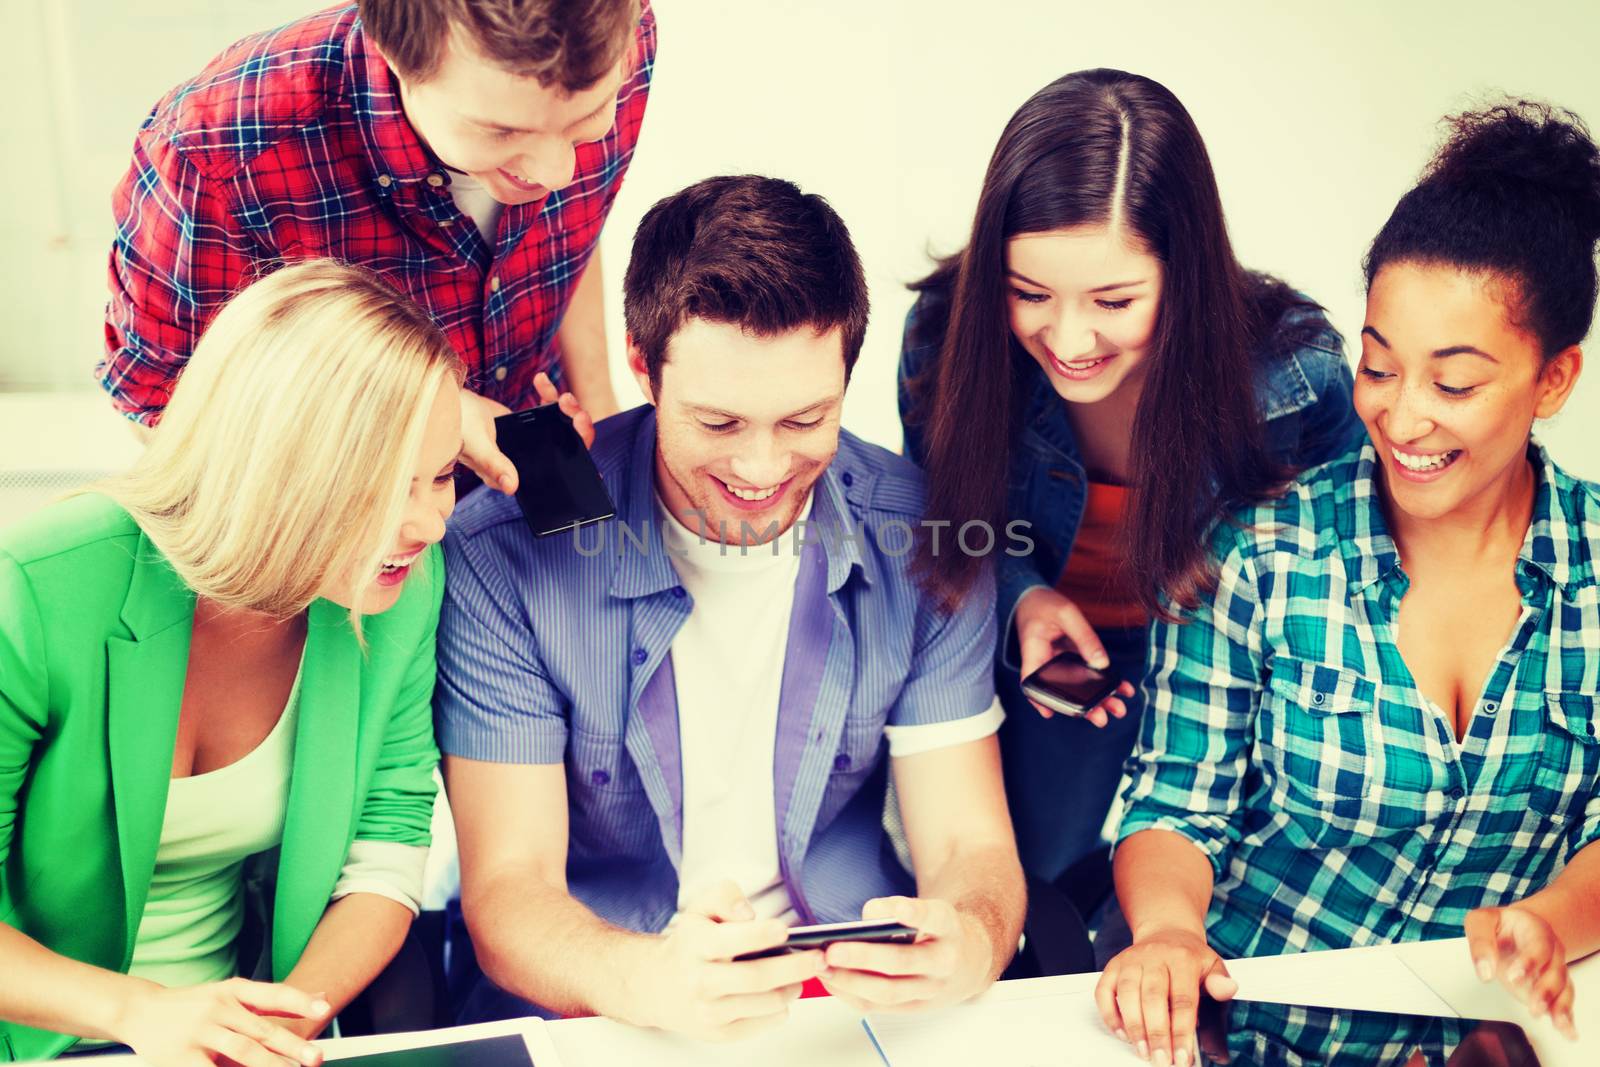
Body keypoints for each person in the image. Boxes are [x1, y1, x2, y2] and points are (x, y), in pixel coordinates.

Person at [434, 175, 1027, 1038]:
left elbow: (969, 848)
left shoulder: (929, 535)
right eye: (718, 423)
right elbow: (509, 890)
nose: (761, 468)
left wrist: (970, 937)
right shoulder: (507, 550)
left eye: (803, 419)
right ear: (640, 364)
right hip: (604, 1003)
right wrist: (648, 978)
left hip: (849, 1011)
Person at [1099, 101, 1600, 1067]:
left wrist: (1549, 920)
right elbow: (1173, 802)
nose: (1402, 417)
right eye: (1378, 367)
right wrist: (1166, 931)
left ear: (1554, 379)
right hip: (1242, 1038)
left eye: (1453, 384)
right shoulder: (1258, 549)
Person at [898, 69, 1363, 887]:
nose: (1069, 337)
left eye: (1113, 301)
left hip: (1230, 665)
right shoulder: (945, 337)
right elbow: (946, 521)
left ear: (1184, 272)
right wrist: (1020, 596)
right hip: (1057, 668)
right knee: (1036, 884)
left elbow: (1347, 567)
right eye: (1028, 293)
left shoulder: (1295, 370)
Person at [0, 260, 465, 1064]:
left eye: (444, 474)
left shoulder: (400, 587)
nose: (430, 521)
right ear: (281, 471)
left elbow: (386, 852)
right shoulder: (42, 585)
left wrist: (276, 1028)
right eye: (392, 485)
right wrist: (142, 1013)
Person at [100, 0, 656, 494]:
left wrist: (604, 411)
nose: (557, 172)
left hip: (540, 435)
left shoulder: (620, 38)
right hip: (343, 492)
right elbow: (157, 410)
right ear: (391, 49)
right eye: (502, 133)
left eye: (586, 123)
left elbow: (567, 239)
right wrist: (421, 415)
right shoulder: (212, 154)